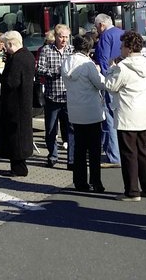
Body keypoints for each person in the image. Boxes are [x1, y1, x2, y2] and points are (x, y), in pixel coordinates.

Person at [104, 30, 146, 202]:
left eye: (121, 46)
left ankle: (132, 191)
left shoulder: (123, 67)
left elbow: (110, 86)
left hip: (128, 114)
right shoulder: (145, 63)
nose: (120, 49)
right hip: (145, 113)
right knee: (145, 152)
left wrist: (111, 68)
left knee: (129, 154)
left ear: (128, 48)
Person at [62, 35, 106, 193]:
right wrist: (99, 71)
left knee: (79, 149)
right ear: (88, 48)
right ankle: (96, 182)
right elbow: (101, 84)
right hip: (91, 110)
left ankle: (79, 182)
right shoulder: (88, 64)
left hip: (75, 110)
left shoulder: (66, 62)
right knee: (94, 150)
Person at [0, 31, 35, 177]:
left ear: (11, 44)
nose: (5, 49)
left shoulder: (16, 59)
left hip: (15, 103)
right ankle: (18, 166)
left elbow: (12, 81)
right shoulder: (28, 56)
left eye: (6, 45)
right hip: (24, 101)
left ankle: (18, 168)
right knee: (21, 134)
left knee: (15, 136)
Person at [36, 23, 74, 169]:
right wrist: (57, 71)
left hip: (69, 96)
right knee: (51, 129)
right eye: (61, 37)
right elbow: (40, 69)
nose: (64, 40)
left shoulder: (72, 50)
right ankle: (52, 156)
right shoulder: (47, 50)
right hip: (52, 96)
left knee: (71, 130)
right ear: (55, 36)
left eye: (66, 37)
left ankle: (71, 159)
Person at [94, 13, 122, 167]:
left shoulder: (105, 37)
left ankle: (113, 156)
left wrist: (104, 82)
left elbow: (103, 62)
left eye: (97, 26)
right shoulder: (122, 33)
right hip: (124, 81)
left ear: (102, 25)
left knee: (110, 119)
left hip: (111, 81)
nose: (97, 30)